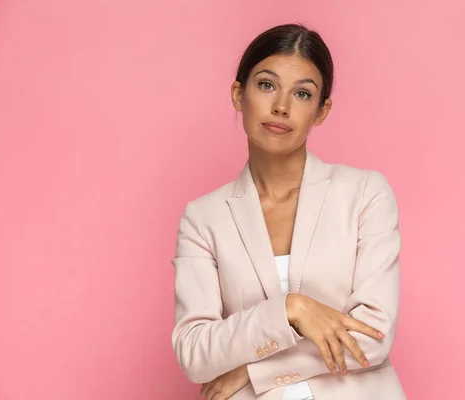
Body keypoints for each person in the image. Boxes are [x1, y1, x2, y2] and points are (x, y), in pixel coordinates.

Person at [171, 23, 407, 400]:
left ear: (321, 110)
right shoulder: (203, 218)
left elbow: (373, 336)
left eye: (302, 93)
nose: (282, 106)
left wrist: (254, 370)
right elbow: (195, 352)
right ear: (238, 93)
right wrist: (291, 309)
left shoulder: (365, 195)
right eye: (266, 85)